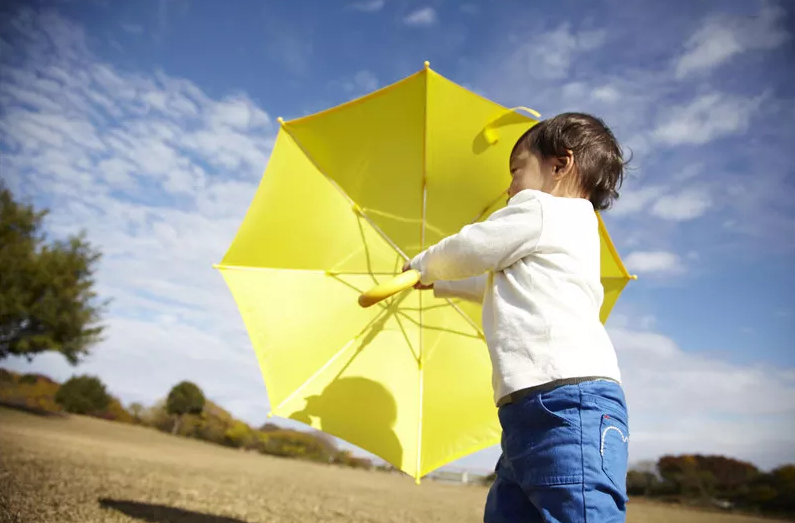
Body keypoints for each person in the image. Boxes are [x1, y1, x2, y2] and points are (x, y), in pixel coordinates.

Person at [403, 112, 631, 523]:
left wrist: (423, 264)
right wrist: (439, 284)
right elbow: (494, 284)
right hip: (526, 408)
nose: (509, 188)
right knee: (511, 510)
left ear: (560, 165)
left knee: (576, 509)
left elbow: (472, 247)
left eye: (516, 170)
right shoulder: (567, 232)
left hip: (570, 403)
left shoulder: (544, 211)